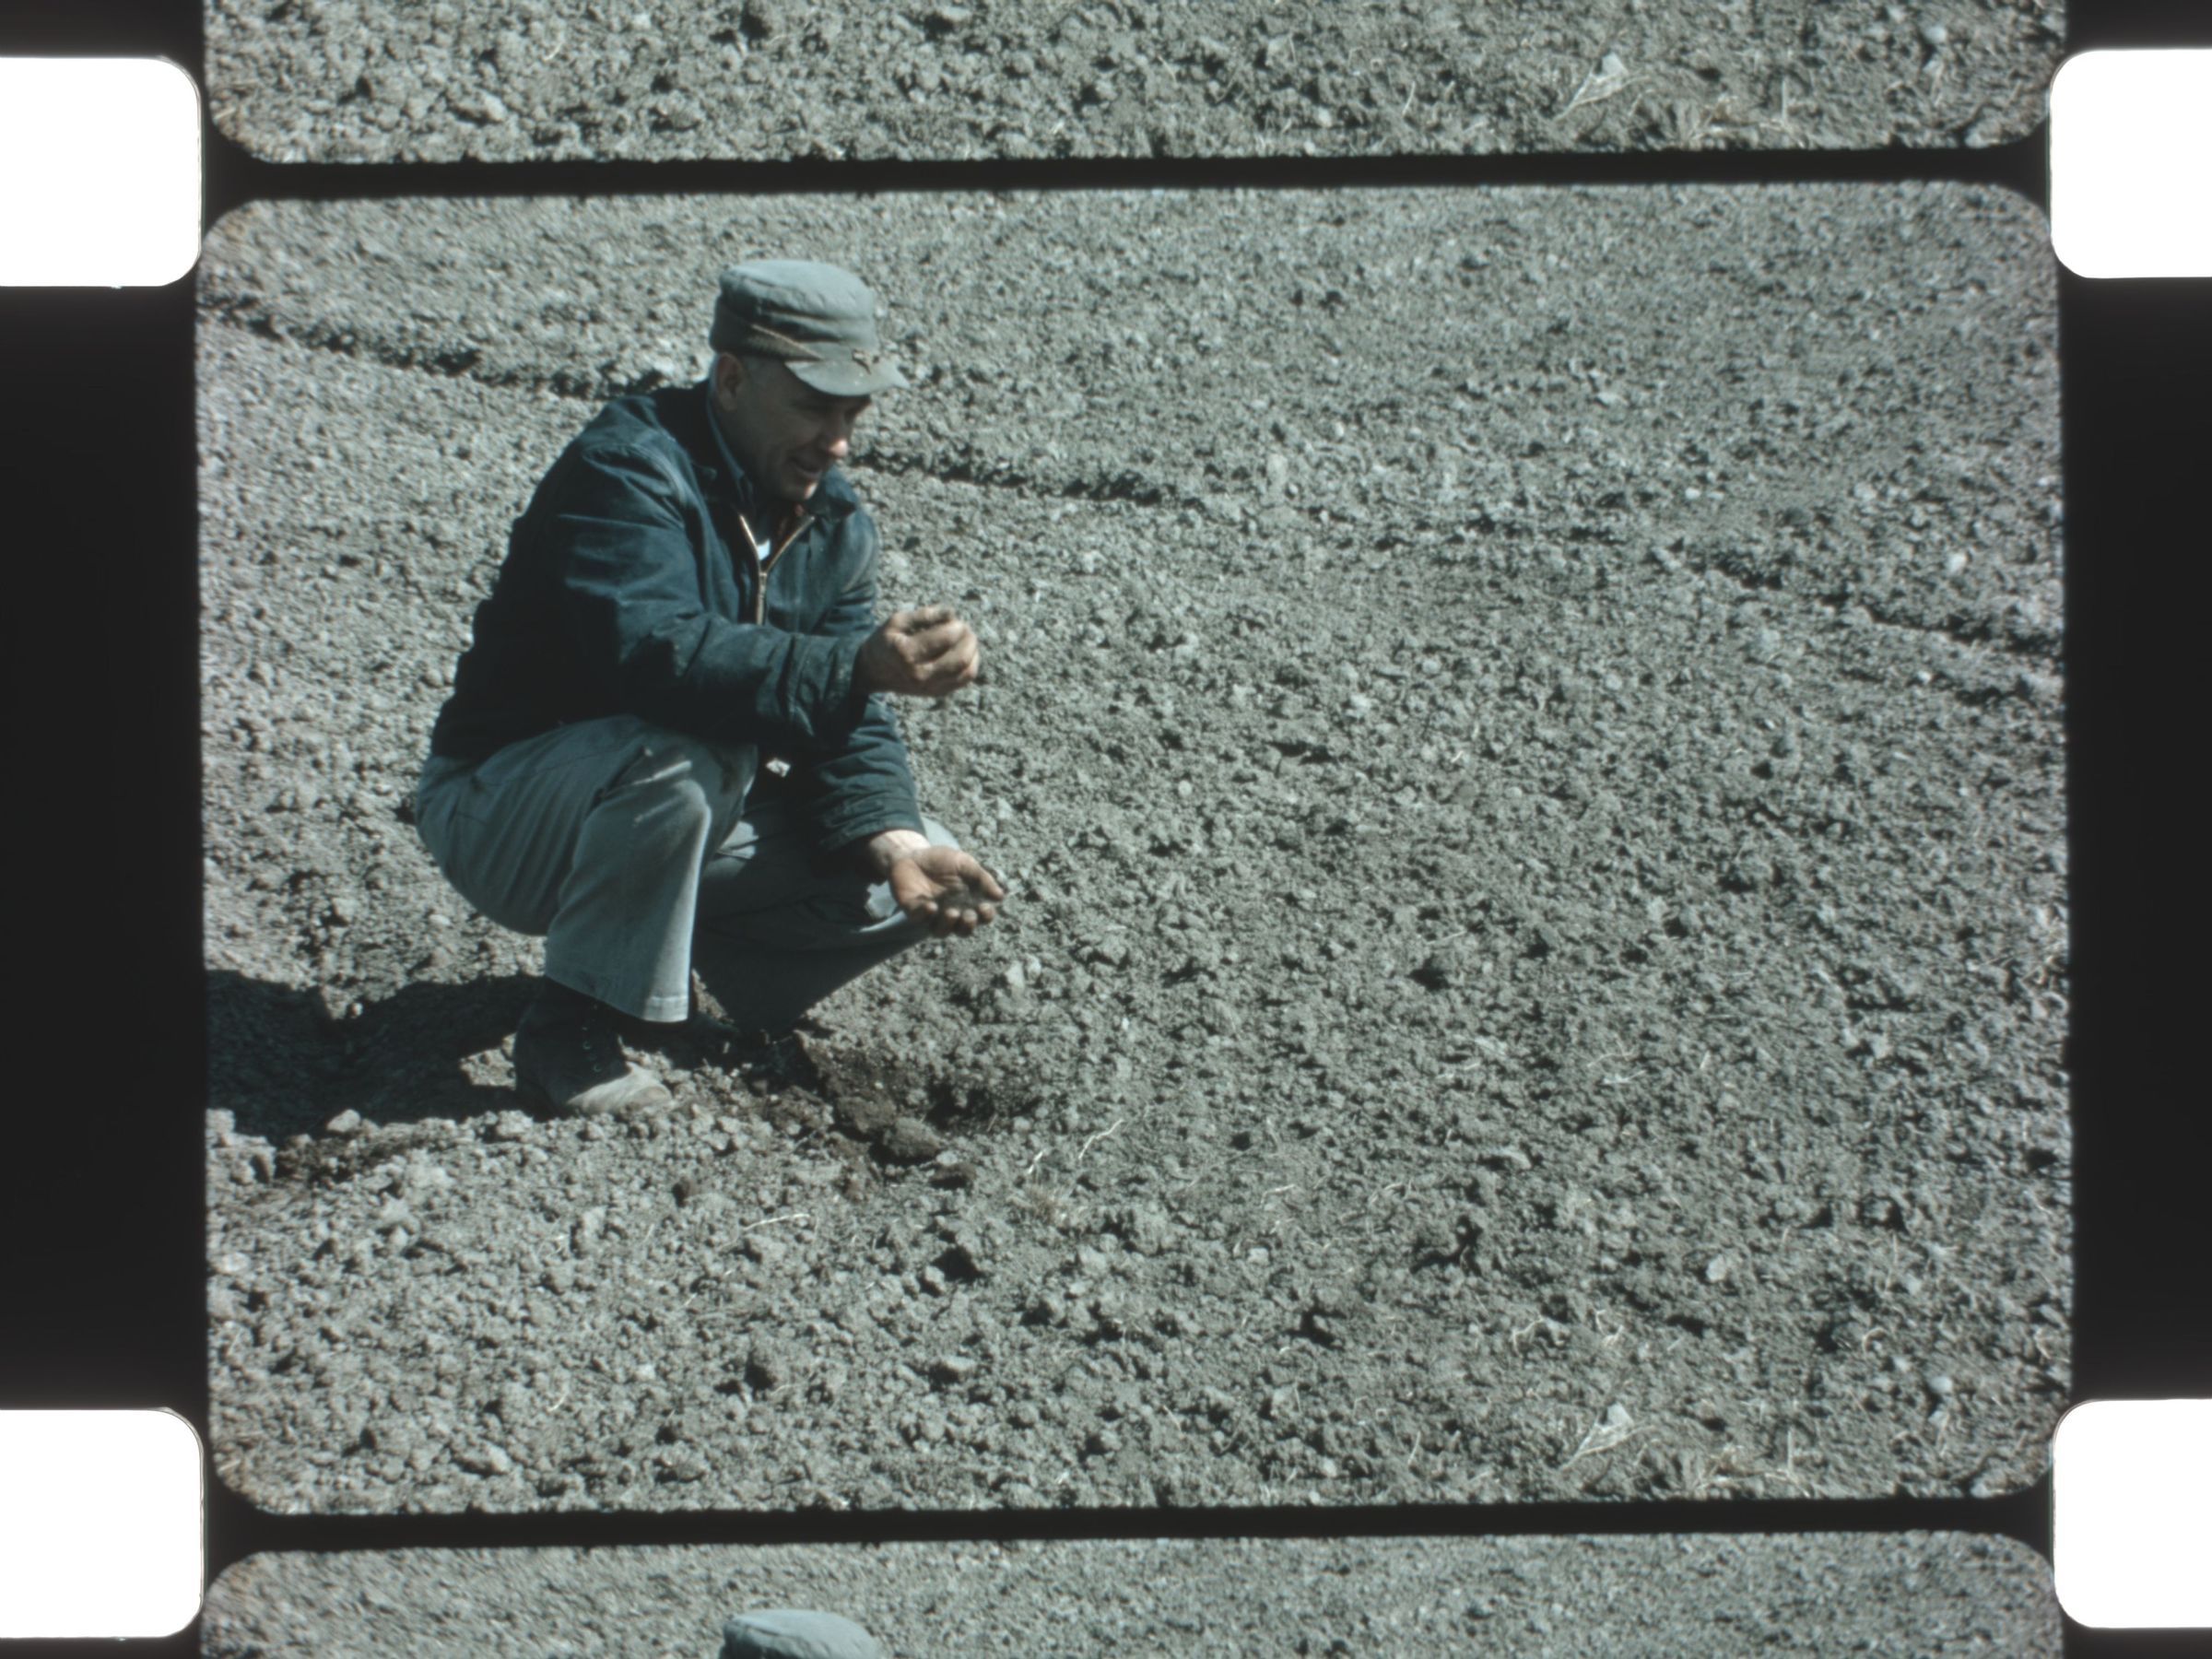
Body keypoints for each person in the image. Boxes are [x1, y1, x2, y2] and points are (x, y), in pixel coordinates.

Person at [413, 259, 1004, 1116]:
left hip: (646, 800)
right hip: (502, 809)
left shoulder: (833, 525)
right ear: (730, 379)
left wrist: (898, 847)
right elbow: (658, 657)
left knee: (901, 862)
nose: (839, 441)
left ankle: (669, 981)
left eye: (854, 412)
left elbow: (844, 722)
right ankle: (569, 1031)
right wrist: (854, 665)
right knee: (697, 749)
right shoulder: (627, 470)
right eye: (815, 406)